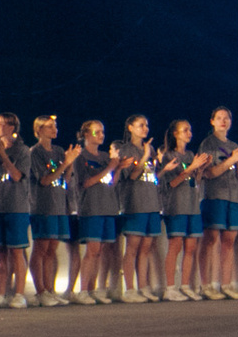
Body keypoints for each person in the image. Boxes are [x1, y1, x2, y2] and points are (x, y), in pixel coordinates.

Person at [195, 108, 238, 300]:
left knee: (229, 241)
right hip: (214, 195)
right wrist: (232, 159)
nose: (223, 121)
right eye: (219, 118)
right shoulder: (208, 144)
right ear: (212, 121)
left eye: (227, 118)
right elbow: (209, 173)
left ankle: (226, 284)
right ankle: (206, 284)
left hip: (233, 197)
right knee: (210, 240)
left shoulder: (233, 144)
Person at [21, 114, 68, 308]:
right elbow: (44, 180)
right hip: (42, 204)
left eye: (55, 126)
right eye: (49, 126)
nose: (54, 129)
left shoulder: (58, 151)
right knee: (41, 247)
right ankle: (39, 291)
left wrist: (69, 162)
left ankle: (50, 289)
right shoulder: (35, 152)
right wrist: (66, 163)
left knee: (52, 248)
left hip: (58, 204)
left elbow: (65, 177)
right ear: (38, 130)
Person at [0, 113, 31, 309]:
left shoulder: (22, 150)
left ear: (12, 127)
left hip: (16, 206)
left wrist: (4, 155)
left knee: (17, 251)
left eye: (2, 124)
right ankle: (1, 292)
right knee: (1, 253)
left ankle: (19, 293)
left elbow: (18, 175)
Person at [69, 120, 116, 305]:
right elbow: (85, 182)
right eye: (97, 132)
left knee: (101, 250)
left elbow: (112, 180)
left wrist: (117, 167)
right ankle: (83, 290)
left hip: (108, 206)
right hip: (91, 207)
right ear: (86, 135)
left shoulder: (105, 156)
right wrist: (111, 167)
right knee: (92, 250)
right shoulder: (81, 157)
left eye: (102, 132)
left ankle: (93, 288)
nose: (101, 135)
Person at [117, 115, 163, 302]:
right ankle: (129, 288)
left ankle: (143, 286)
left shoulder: (149, 148)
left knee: (146, 247)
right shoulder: (126, 149)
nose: (145, 128)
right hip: (135, 203)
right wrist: (144, 157)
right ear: (130, 127)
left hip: (151, 202)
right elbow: (132, 176)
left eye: (146, 125)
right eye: (140, 125)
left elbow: (151, 175)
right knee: (133, 247)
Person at [156, 121, 204, 301]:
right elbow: (172, 183)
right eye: (185, 130)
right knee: (175, 246)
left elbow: (194, 180)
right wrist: (192, 167)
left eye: (190, 130)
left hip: (192, 204)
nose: (189, 133)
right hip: (176, 205)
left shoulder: (190, 154)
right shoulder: (169, 156)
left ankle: (185, 285)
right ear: (175, 134)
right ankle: (170, 287)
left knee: (191, 247)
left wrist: (200, 169)